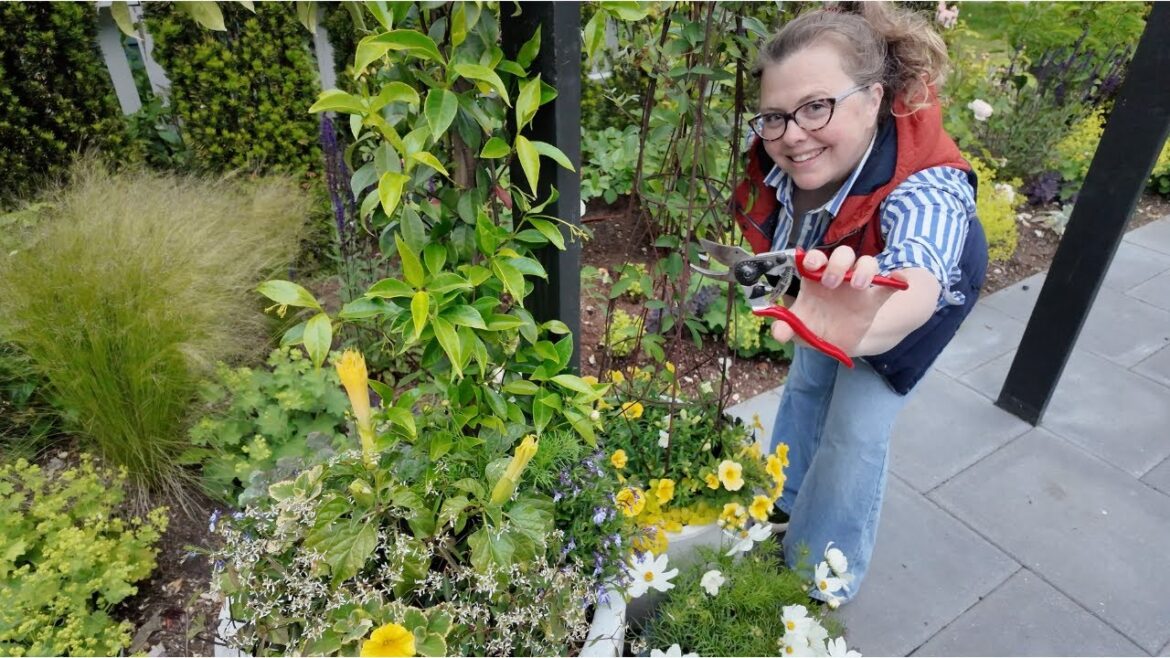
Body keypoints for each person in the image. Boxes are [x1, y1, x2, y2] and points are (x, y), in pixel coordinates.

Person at [731, 1, 988, 604]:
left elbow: (920, 276)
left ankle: (818, 578)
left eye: (816, 106)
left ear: (874, 98)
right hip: (831, 288)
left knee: (854, 429)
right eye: (775, 116)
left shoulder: (930, 186)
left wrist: (873, 320)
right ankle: (782, 499)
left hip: (907, 307)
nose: (792, 134)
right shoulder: (783, 143)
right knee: (806, 383)